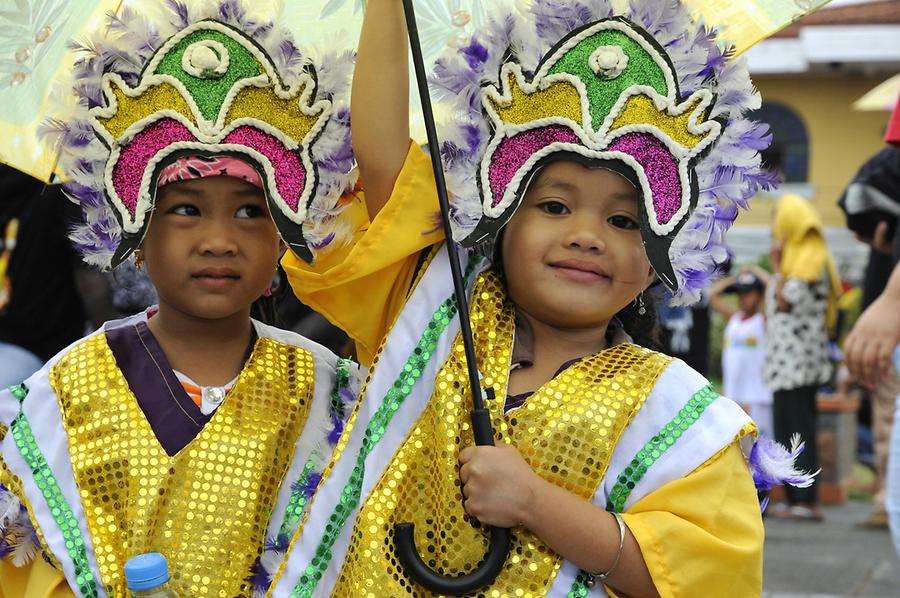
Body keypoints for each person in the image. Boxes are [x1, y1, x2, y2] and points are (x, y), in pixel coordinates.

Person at [267, 1, 816, 596]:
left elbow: (699, 576)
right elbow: (381, 159)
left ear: (666, 249)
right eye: (554, 206)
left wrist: (534, 503)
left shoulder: (677, 412)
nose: (586, 235)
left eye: (625, 221)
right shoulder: (435, 312)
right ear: (500, 217)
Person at [0, 3, 359, 597]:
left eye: (250, 211)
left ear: (284, 238)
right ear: (136, 233)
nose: (219, 240)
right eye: (186, 210)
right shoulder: (60, 399)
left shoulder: (335, 395)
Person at [0, 166, 119, 386]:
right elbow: (91, 283)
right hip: (38, 347)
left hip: (30, 348)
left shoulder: (55, 190)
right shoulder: (64, 187)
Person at [765, 195, 842, 521]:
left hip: (795, 366)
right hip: (790, 364)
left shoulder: (805, 258)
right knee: (793, 429)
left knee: (795, 430)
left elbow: (785, 302)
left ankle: (805, 499)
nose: (774, 225)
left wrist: (778, 264)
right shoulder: (805, 255)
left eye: (778, 217)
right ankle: (800, 497)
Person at [711, 268, 773, 437]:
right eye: (739, 293)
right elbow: (714, 294)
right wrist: (738, 278)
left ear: (760, 295)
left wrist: (755, 271)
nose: (742, 297)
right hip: (734, 396)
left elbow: (772, 286)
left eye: (748, 293)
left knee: (761, 449)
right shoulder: (734, 319)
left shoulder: (763, 321)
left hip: (758, 398)